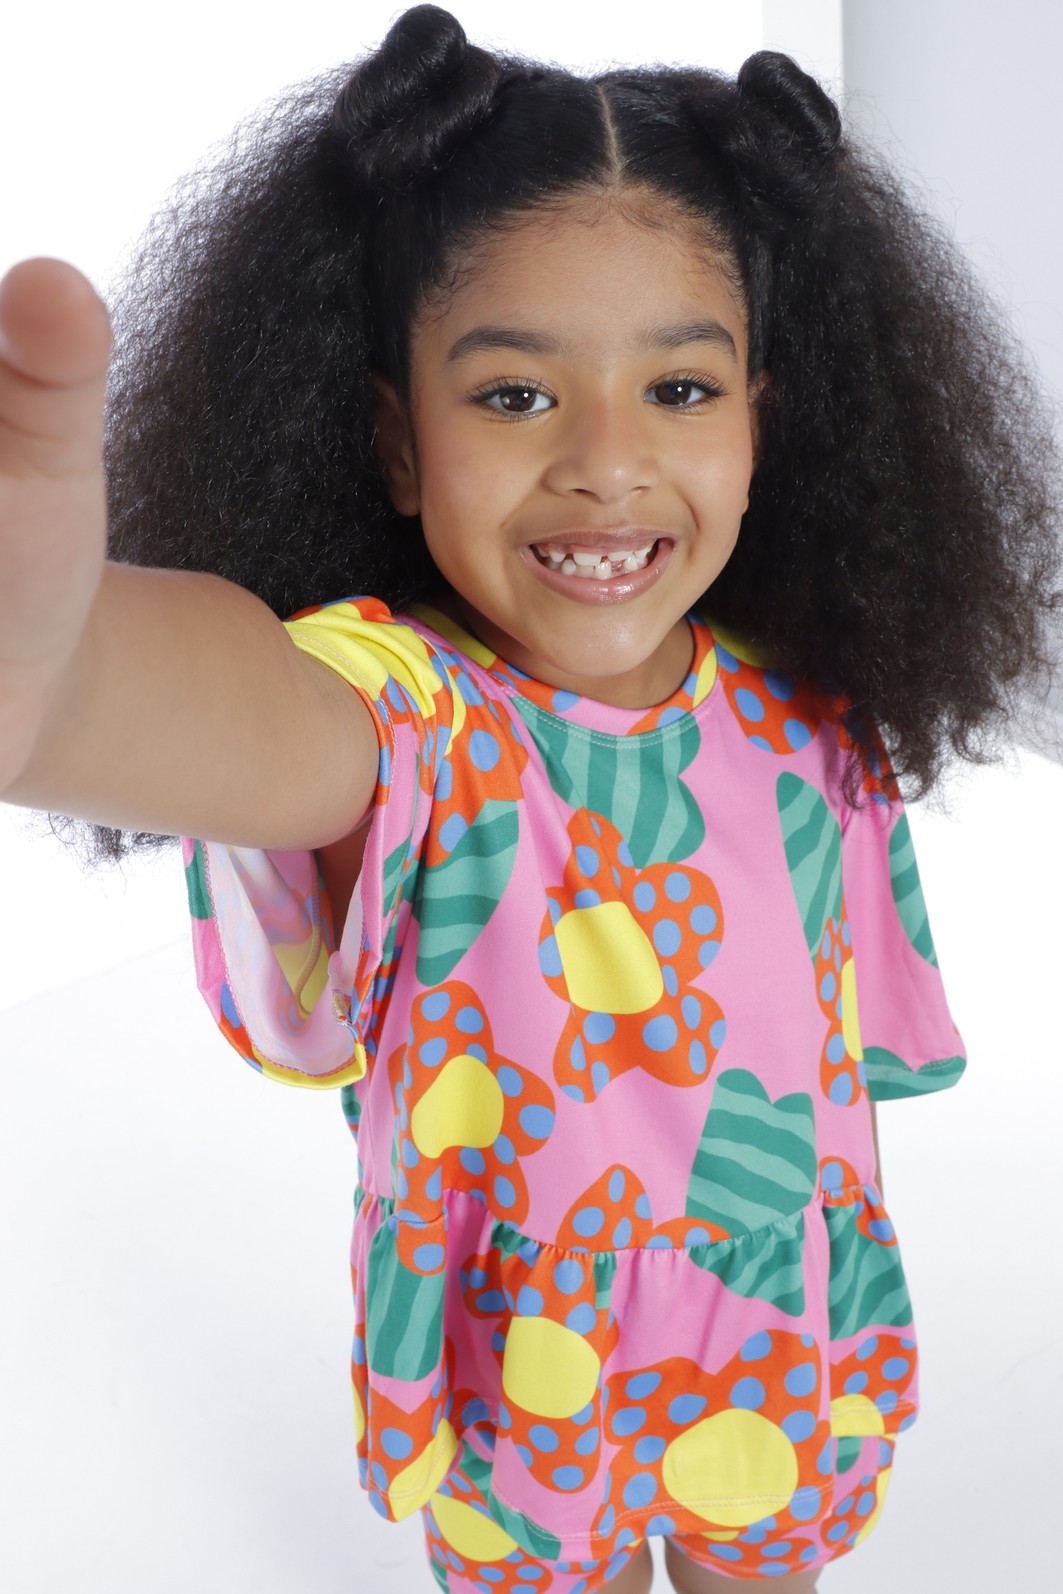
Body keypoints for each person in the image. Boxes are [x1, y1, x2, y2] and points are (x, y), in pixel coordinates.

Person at [2, 6, 1060, 1590]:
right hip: (525, 1383)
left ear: (766, 419)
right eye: (515, 397)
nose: (608, 464)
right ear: (397, 441)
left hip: (787, 1349)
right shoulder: (413, 721)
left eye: (683, 392)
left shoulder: (806, 708)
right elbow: (225, 705)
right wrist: (61, 673)